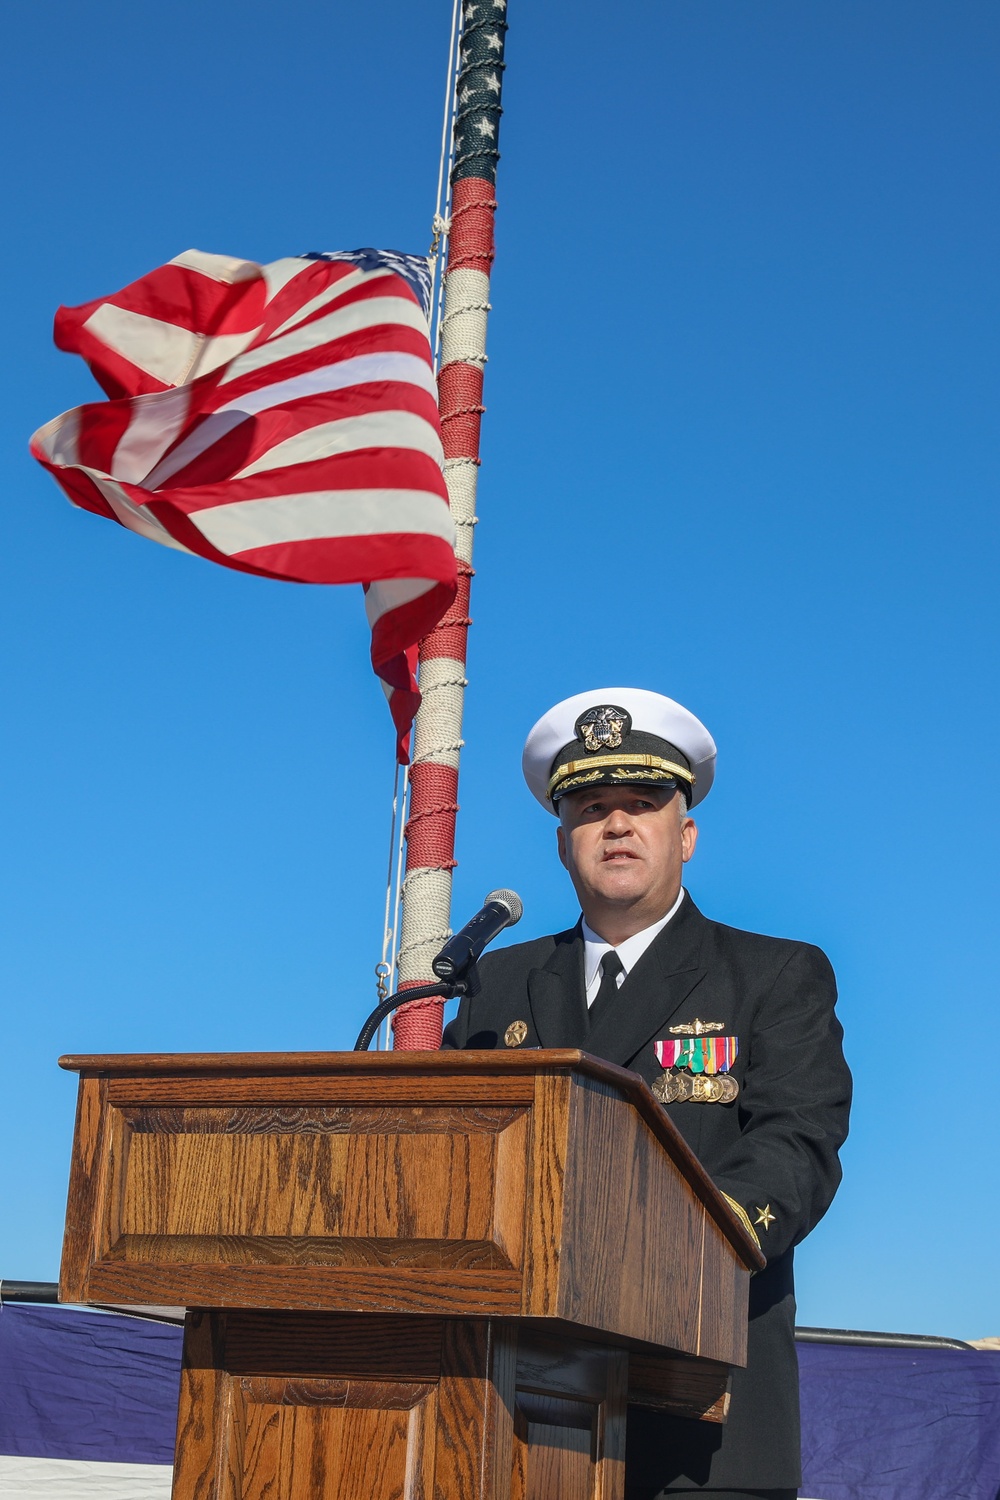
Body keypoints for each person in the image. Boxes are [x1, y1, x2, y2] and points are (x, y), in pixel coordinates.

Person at [441, 687, 852, 1500]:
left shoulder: (773, 975)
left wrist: (675, 1250)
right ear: (564, 844)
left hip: (700, 1420)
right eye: (592, 808)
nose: (617, 825)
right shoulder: (498, 987)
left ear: (686, 834)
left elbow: (797, 1147)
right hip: (512, 1418)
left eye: (642, 803)